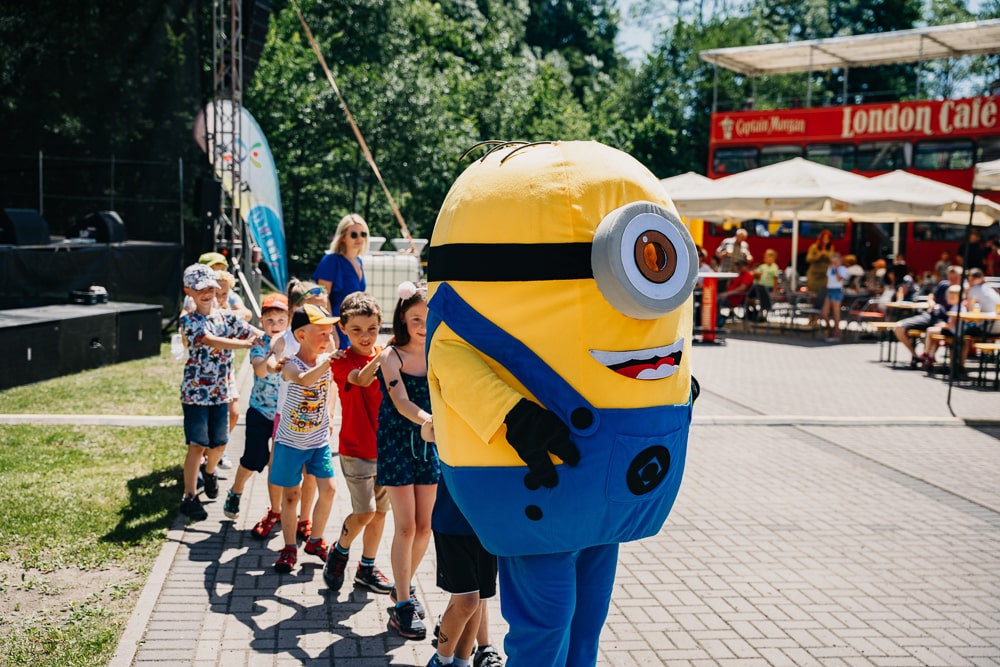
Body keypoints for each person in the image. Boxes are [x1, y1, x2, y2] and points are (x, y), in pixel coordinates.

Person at [377, 282, 438, 640]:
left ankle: (403, 585)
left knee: (425, 527)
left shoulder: (439, 351)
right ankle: (402, 604)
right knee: (406, 527)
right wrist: (429, 421)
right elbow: (401, 402)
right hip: (398, 443)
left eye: (429, 319)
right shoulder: (391, 356)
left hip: (430, 445)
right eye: (416, 319)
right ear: (403, 318)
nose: (423, 326)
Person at [322, 292, 393, 595]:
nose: (366, 336)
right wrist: (386, 353)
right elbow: (362, 379)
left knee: (380, 513)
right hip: (355, 451)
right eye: (357, 330)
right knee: (364, 512)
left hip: (387, 450)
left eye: (372, 329)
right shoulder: (341, 362)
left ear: (381, 325)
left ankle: (367, 568)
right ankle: (340, 550)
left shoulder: (387, 354)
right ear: (343, 329)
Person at [178, 263, 261, 521]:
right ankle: (189, 496)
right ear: (189, 292)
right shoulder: (188, 320)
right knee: (198, 445)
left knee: (221, 442)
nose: (207, 293)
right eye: (200, 289)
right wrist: (244, 344)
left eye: (211, 288)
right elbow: (209, 339)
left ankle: (210, 471)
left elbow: (254, 332)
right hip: (196, 394)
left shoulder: (226, 318)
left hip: (221, 393)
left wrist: (274, 337)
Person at [251, 279, 330, 541]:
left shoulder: (326, 339)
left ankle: (304, 518)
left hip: (316, 419)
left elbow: (330, 381)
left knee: (311, 474)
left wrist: (330, 414)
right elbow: (272, 362)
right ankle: (275, 511)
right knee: (279, 469)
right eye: (316, 309)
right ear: (297, 310)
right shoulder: (284, 339)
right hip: (287, 417)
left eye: (325, 308)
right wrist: (274, 366)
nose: (323, 315)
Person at [270, 304, 339, 573]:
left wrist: (330, 415)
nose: (328, 338)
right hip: (290, 442)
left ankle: (316, 540)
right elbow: (304, 381)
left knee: (329, 489)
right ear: (301, 335)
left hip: (318, 441)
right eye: (322, 333)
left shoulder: (326, 360)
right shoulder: (291, 365)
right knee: (291, 496)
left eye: (330, 333)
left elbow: (332, 386)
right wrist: (329, 362)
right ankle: (289, 547)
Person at [425, 464, 501, 667]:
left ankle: (462, 662)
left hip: (488, 525)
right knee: (467, 601)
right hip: (452, 523)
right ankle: (440, 660)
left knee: (479, 599)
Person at [222, 293, 288, 521]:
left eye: (281, 320)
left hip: (285, 414)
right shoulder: (260, 344)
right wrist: (275, 351)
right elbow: (260, 371)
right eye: (270, 320)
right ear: (262, 321)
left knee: (278, 464)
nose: (275, 325)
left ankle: (277, 510)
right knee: (253, 459)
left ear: (289, 320)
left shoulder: (294, 343)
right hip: (260, 411)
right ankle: (236, 490)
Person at [313, 213, 370, 349]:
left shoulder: (358, 261)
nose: (359, 238)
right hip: (337, 324)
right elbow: (322, 298)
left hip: (354, 325)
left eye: (363, 234)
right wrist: (331, 330)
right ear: (343, 237)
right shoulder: (331, 260)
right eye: (354, 234)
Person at [893, 265, 961, 368]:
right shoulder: (943, 285)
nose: (952, 279)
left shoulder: (963, 289)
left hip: (946, 321)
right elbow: (931, 296)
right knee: (899, 327)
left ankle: (929, 356)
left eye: (955, 277)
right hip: (930, 315)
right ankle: (915, 355)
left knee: (934, 332)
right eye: (950, 277)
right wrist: (932, 303)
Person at [922, 285, 969, 371]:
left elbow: (951, 325)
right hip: (959, 332)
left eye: (952, 297)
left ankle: (926, 352)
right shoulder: (960, 307)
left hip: (953, 332)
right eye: (948, 297)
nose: (948, 299)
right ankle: (931, 355)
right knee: (934, 335)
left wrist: (942, 325)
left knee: (930, 331)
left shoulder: (956, 309)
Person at [821, 253, 849, 343]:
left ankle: (837, 334)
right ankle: (831, 331)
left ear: (839, 261)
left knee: (836, 314)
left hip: (837, 291)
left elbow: (839, 279)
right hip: (829, 290)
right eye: (832, 262)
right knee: (824, 313)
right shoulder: (830, 268)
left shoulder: (842, 269)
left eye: (835, 262)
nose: (833, 263)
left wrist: (836, 269)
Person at [718, 258, 754, 325]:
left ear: (746, 266)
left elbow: (742, 288)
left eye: (741, 266)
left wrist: (727, 294)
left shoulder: (748, 275)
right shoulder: (740, 275)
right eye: (738, 265)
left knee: (715, 300)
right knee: (713, 297)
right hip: (730, 297)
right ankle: (717, 321)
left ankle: (717, 321)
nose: (739, 267)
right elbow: (730, 286)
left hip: (735, 299)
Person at [805, 229, 834, 306]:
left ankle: (820, 311)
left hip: (825, 275)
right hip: (814, 275)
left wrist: (826, 254)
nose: (826, 240)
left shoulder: (831, 248)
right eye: (824, 238)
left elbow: (832, 259)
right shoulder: (814, 247)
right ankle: (811, 310)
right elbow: (808, 259)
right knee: (812, 294)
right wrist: (820, 255)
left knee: (823, 294)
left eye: (828, 239)